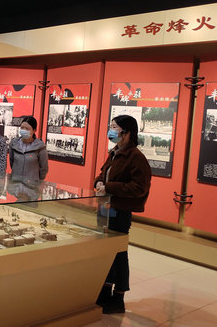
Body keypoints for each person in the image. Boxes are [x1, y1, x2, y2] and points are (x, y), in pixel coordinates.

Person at [94, 114, 152, 314]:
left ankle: (118, 296)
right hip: (105, 208)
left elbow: (139, 188)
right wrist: (98, 182)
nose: (110, 131)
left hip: (120, 211)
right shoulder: (114, 153)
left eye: (114, 127)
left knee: (118, 253)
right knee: (104, 252)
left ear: (126, 133)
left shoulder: (136, 158)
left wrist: (109, 187)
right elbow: (104, 174)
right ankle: (104, 290)